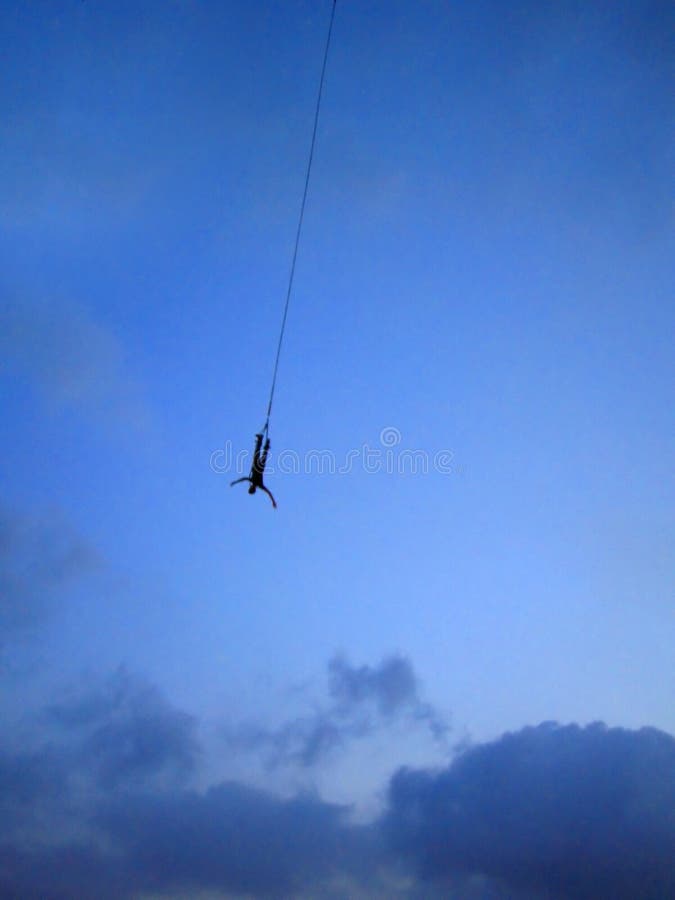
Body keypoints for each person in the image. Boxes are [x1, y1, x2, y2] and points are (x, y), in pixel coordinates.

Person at [230, 433, 277, 508]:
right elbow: (268, 493)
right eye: (251, 488)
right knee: (260, 453)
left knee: (259, 453)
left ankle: (262, 441)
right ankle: (263, 442)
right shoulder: (258, 484)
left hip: (257, 466)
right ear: (252, 488)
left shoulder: (255, 482)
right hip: (259, 467)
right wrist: (273, 502)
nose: (251, 487)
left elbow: (243, 479)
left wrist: (235, 482)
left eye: (250, 488)